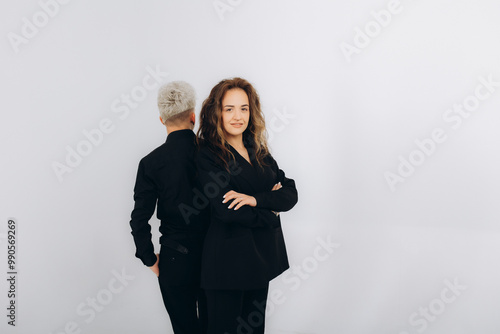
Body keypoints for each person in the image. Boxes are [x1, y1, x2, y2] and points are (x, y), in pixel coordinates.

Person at [194, 77, 298, 334]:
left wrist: (256, 200)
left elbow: (290, 192)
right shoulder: (207, 154)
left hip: (260, 262)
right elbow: (226, 211)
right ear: (216, 112)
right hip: (226, 267)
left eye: (244, 108)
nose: (237, 116)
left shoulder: (258, 150)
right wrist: (272, 211)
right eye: (229, 109)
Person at [129, 81, 210, 334]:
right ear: (193, 117)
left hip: (175, 259)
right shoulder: (214, 155)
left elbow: (139, 219)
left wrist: (149, 257)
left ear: (161, 119)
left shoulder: (150, 163)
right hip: (215, 255)